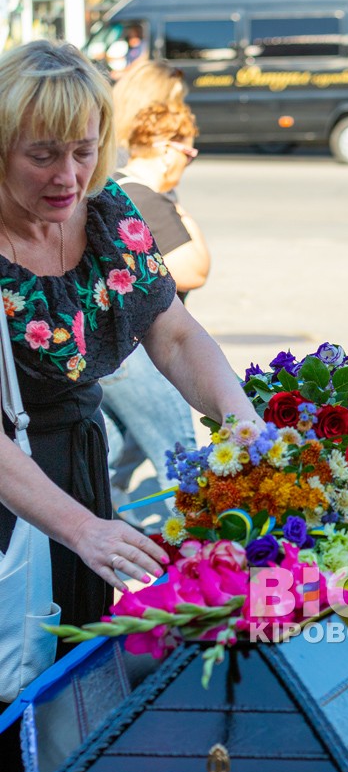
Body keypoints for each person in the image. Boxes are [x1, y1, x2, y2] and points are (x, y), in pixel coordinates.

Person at [0, 40, 260, 772]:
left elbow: (176, 336)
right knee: (4, 722)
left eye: (81, 151)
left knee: (66, 713)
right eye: (39, 156)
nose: (66, 177)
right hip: (20, 503)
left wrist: (249, 431)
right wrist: (81, 528)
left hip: (73, 481)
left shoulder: (108, 219)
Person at [101, 100, 211, 526]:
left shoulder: (122, 189)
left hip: (118, 354)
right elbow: (195, 269)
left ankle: (100, 515)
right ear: (168, 148)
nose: (189, 161)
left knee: (109, 450)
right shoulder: (139, 198)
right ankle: (199, 551)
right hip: (136, 354)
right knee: (179, 456)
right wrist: (182, 212)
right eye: (189, 151)